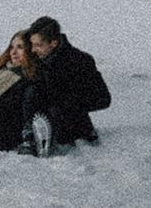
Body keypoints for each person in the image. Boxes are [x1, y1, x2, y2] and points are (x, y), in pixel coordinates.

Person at [18, 16, 111, 156]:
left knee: (56, 107)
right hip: (43, 114)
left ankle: (48, 136)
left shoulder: (79, 61)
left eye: (38, 45)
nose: (33, 50)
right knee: (31, 91)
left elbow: (103, 98)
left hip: (71, 118)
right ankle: (32, 135)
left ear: (54, 43)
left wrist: (69, 101)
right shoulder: (37, 60)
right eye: (32, 45)